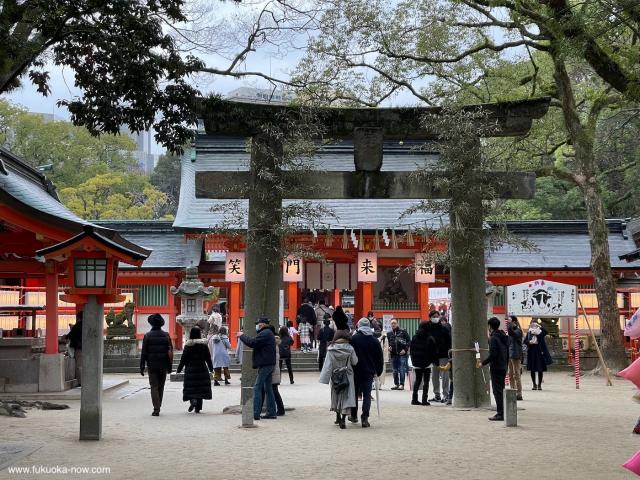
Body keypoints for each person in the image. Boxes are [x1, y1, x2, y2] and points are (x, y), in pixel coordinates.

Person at [239, 317, 277, 420]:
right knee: (268, 388)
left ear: (263, 324)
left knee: (257, 387)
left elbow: (253, 343)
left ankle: (255, 413)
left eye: (259, 324)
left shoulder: (265, 333)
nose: (257, 326)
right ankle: (272, 412)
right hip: (268, 363)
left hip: (265, 364)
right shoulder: (268, 333)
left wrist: (242, 336)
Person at [319, 329, 358, 429]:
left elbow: (327, 365)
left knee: (336, 395)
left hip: (335, 375)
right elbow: (355, 362)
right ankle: (343, 419)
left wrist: (324, 379)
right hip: (347, 375)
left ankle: (337, 417)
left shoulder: (331, 349)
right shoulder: (350, 348)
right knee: (346, 397)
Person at [349, 318, 384, 427]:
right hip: (369, 371)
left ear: (358, 326)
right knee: (367, 395)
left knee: (354, 394)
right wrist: (378, 371)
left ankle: (353, 415)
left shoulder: (353, 339)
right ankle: (365, 418)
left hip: (355, 371)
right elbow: (379, 358)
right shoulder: (374, 340)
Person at [140, 313, 173, 416]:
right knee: (161, 386)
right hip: (163, 364)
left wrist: (142, 366)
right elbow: (170, 352)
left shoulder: (147, 336)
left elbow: (144, 352)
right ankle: (159, 405)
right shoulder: (166, 335)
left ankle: (156, 408)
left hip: (152, 364)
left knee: (153, 386)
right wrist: (169, 366)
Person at [477, 317, 509, 421]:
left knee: (497, 391)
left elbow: (493, 354)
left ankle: (500, 413)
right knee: (501, 389)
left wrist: (483, 363)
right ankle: (503, 411)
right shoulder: (503, 336)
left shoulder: (494, 338)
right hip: (503, 365)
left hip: (496, 367)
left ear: (490, 326)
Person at [176, 327, 213, 413]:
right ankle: (198, 408)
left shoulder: (188, 346)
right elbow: (208, 358)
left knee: (191, 388)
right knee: (200, 388)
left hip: (190, 369)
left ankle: (193, 400)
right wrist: (211, 368)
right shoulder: (204, 345)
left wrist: (179, 369)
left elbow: (183, 359)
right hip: (202, 369)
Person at [409, 321, 438, 406]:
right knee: (426, 381)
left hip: (417, 363)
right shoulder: (430, 338)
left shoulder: (414, 337)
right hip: (427, 363)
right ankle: (424, 400)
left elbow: (411, 350)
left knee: (417, 380)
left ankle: (414, 399)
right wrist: (436, 362)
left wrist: (414, 360)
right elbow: (433, 352)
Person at [429, 310, 452, 403]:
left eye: (437, 316)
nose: (435, 318)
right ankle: (437, 394)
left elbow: (449, 341)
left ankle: (446, 395)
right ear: (430, 317)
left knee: (445, 376)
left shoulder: (444, 328)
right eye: (434, 316)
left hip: (443, 355)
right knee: (434, 376)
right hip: (433, 356)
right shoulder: (429, 329)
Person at [262, 325, 285, 416]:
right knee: (274, 390)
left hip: (272, 369)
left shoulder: (272, 342)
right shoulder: (275, 342)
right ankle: (280, 409)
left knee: (274, 390)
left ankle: (280, 409)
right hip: (275, 369)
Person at [524, 320, 553, 390]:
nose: (533, 326)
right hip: (532, 351)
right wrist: (529, 342)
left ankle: (539, 384)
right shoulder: (529, 332)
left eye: (534, 324)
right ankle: (534, 384)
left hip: (540, 351)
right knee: (532, 369)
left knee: (540, 369)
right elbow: (525, 341)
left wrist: (539, 326)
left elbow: (546, 331)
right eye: (532, 324)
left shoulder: (540, 332)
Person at [387, 318, 410, 390]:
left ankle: (401, 384)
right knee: (394, 370)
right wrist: (389, 347)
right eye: (392, 323)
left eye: (394, 323)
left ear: (397, 323)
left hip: (402, 354)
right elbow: (388, 343)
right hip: (393, 354)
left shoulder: (403, 332)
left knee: (402, 369)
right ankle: (396, 384)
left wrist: (405, 350)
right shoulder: (389, 333)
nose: (393, 324)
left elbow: (409, 341)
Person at [507, 315, 524, 400]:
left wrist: (509, 325)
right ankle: (512, 390)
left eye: (510, 321)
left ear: (514, 322)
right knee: (510, 374)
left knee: (516, 374)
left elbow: (512, 334)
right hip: (509, 354)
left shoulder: (518, 331)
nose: (508, 323)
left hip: (516, 354)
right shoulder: (510, 331)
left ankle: (519, 393)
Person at [67, 311, 83, 385]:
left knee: (79, 365)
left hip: (79, 348)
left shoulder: (77, 326)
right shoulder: (88, 324)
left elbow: (70, 335)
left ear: (79, 317)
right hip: (88, 348)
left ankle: (81, 382)